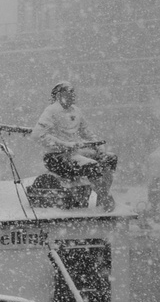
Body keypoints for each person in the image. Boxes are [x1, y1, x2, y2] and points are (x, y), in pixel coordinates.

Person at [30, 81, 117, 211]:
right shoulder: (51, 111)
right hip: (55, 157)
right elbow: (37, 135)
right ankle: (104, 198)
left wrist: (97, 145)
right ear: (59, 95)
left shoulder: (77, 111)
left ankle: (102, 197)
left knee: (109, 158)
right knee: (91, 165)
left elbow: (86, 131)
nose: (72, 96)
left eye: (73, 93)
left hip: (75, 154)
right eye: (68, 93)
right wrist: (63, 145)